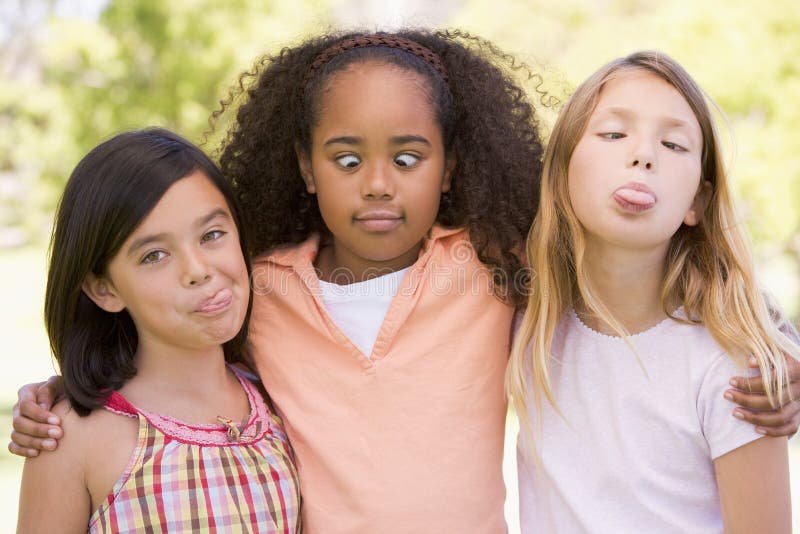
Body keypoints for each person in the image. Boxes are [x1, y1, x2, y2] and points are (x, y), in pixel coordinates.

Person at [10, 32, 800, 532]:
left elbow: (633, 263)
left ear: (451, 165)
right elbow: (173, 341)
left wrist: (781, 347)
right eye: (348, 161)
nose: (379, 184)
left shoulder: (494, 266)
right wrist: (64, 393)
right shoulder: (260, 288)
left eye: (410, 158)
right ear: (304, 170)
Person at [508, 51, 797, 533]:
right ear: (561, 171)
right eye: (614, 134)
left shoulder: (734, 369)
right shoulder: (523, 322)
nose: (643, 155)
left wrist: (776, 344)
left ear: (697, 204)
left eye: (674, 144)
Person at [16, 129, 300, 533]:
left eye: (212, 235)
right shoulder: (72, 439)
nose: (198, 269)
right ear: (104, 288)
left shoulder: (281, 398)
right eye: (155, 255)